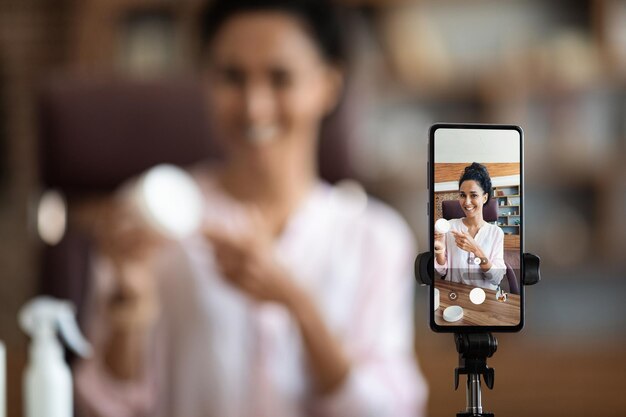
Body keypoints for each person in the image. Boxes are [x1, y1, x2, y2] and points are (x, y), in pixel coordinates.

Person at [74, 1, 428, 416]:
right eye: (232, 77)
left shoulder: (375, 239)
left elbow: (388, 411)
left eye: (280, 78)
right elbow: (98, 407)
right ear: (206, 82)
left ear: (329, 85)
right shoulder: (152, 216)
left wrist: (297, 303)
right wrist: (129, 311)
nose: (254, 106)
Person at [434, 162, 506, 290]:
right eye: (462, 195)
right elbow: (442, 272)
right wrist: (439, 249)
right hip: (455, 297)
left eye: (473, 195)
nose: (467, 202)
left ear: (484, 198)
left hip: (485, 299)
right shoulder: (450, 227)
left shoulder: (496, 232)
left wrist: (476, 250)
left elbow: (496, 278)